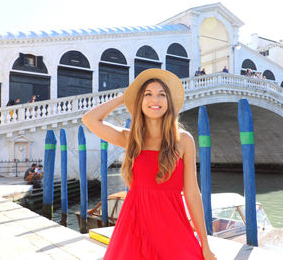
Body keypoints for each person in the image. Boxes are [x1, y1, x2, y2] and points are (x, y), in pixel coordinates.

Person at [82, 69, 216, 260]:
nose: (155, 100)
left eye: (162, 95)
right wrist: (125, 97)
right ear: (140, 102)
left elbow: (193, 194)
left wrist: (205, 245)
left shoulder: (184, 140)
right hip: (134, 228)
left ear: (168, 102)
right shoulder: (131, 138)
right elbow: (90, 119)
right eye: (148, 95)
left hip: (172, 228)